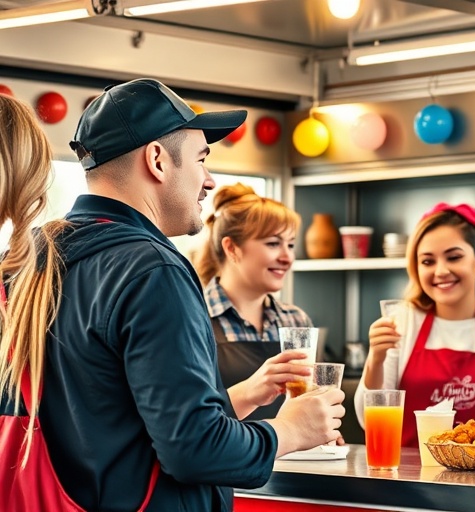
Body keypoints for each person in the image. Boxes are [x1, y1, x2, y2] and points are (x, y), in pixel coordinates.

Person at [2, 78, 345, 511]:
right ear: (158, 161)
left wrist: (236, 399)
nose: (209, 180)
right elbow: (195, 450)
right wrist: (290, 430)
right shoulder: (151, 269)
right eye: (201, 159)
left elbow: (109, 420)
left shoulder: (31, 258)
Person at [354, 203, 475, 446]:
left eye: (454, 257)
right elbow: (368, 421)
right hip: (405, 477)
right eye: (428, 262)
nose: (441, 271)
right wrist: (375, 358)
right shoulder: (401, 322)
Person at [194, 183, 314, 420]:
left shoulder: (296, 320)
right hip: (226, 456)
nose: (287, 257)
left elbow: (308, 401)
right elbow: (189, 420)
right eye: (273, 243)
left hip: (288, 456)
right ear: (231, 248)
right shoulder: (195, 317)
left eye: (290, 245)